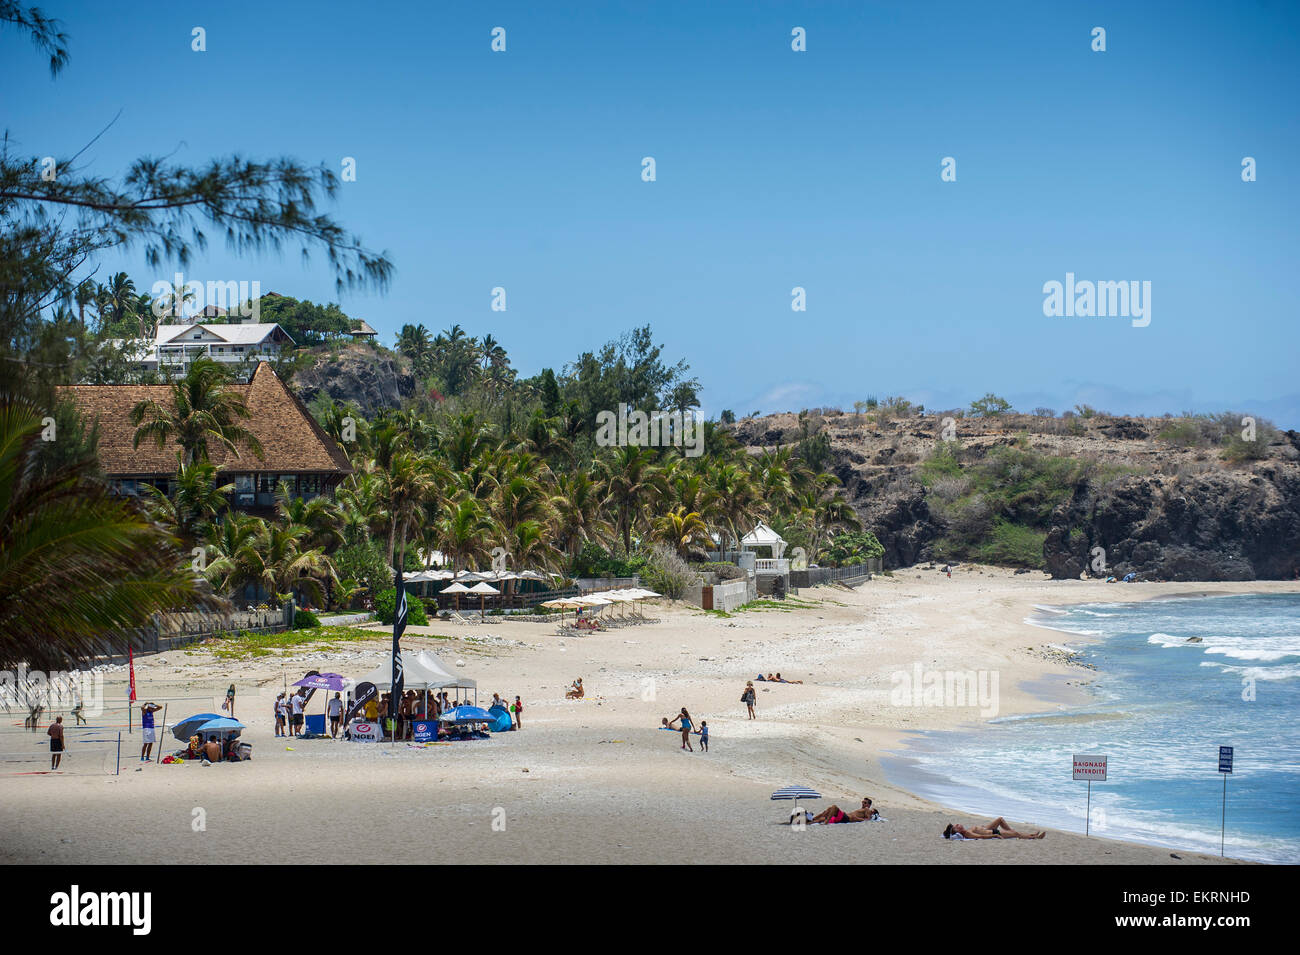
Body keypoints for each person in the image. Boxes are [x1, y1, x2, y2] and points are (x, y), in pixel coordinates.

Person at [943, 817, 1045, 840]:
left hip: (986, 828)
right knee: (1016, 834)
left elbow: (981, 831)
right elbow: (982, 836)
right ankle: (1034, 837)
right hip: (994, 831)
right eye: (956, 827)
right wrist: (995, 835)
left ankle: (1032, 835)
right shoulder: (968, 834)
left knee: (1000, 819)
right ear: (957, 831)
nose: (958, 825)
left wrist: (983, 827)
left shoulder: (966, 830)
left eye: (957, 824)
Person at [806, 798, 878, 825]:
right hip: (844, 817)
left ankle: (826, 822)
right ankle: (811, 821)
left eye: (865, 803)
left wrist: (857, 819)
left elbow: (867, 819)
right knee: (828, 810)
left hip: (847, 818)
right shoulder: (862, 809)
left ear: (869, 805)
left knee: (834, 807)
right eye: (862, 802)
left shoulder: (867, 809)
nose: (863, 803)